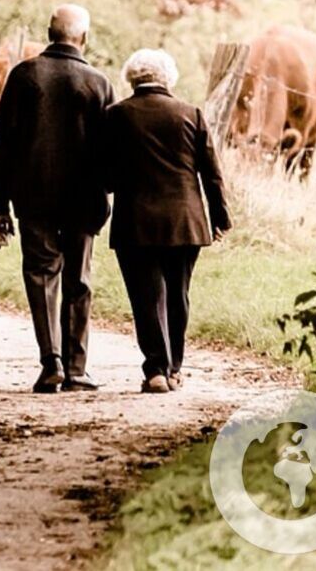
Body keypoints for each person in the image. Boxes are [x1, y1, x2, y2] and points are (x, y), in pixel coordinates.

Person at [0, 5, 116, 394]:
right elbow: (110, 149)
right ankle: (78, 370)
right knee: (78, 279)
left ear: (49, 32)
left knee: (42, 276)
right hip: (84, 199)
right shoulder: (98, 83)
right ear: (84, 39)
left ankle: (51, 363)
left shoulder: (24, 76)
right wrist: (107, 191)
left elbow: (3, 145)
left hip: (33, 196)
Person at [102, 48, 230, 394]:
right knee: (178, 294)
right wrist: (220, 217)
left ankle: (156, 369)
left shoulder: (116, 115)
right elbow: (212, 174)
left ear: (132, 77)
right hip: (186, 221)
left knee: (146, 297)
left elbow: (106, 176)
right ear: (168, 78)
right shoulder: (192, 114)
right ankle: (174, 369)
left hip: (135, 222)